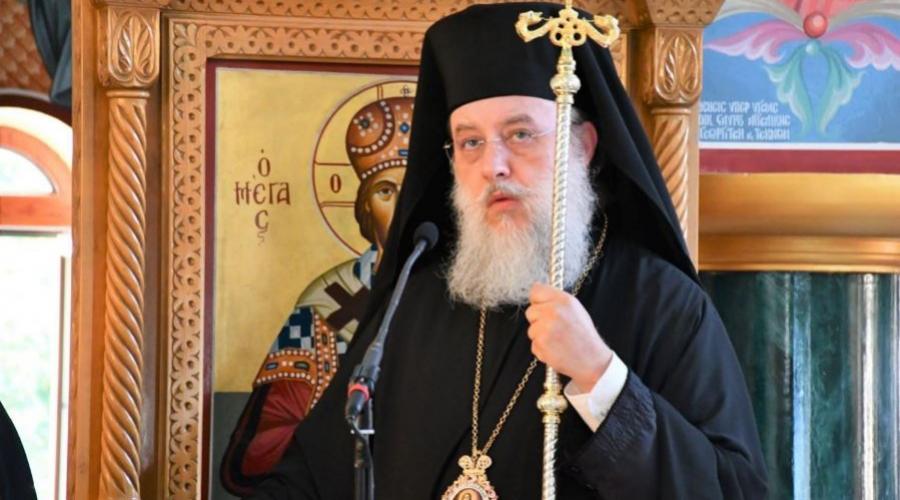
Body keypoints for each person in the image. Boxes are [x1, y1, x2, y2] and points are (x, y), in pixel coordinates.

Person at [249, 3, 768, 499]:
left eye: (520, 134)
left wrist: (600, 377)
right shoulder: (415, 301)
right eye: (470, 142)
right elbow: (312, 481)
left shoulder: (660, 303)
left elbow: (732, 489)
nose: (492, 166)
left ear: (583, 146)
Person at [221, 97, 412, 496]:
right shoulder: (323, 310)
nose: (401, 208)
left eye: (411, 191)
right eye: (386, 191)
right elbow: (259, 452)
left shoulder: (463, 302)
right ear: (365, 207)